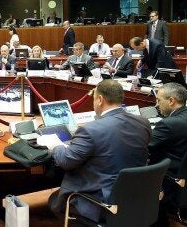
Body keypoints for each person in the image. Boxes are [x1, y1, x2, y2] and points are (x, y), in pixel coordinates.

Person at [47, 80, 151, 223]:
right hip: (137, 196)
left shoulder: (90, 130)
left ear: (100, 99)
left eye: (94, 98)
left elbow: (66, 161)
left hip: (104, 202)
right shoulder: (143, 122)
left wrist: (55, 146)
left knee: (54, 200)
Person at [149, 83, 187, 175]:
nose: (156, 105)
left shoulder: (167, 124)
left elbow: (146, 146)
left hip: (169, 175)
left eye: (158, 100)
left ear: (171, 101)